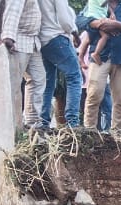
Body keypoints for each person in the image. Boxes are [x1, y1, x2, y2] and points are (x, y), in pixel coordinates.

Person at [80, 0, 121, 134]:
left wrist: (116, 24)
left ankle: (116, 133)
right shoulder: (96, 3)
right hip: (99, 58)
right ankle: (89, 132)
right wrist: (98, 23)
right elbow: (80, 20)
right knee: (94, 94)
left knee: (120, 98)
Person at [1, 0, 46, 129]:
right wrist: (8, 36)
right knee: (14, 83)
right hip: (18, 40)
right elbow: (13, 10)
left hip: (33, 41)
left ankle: (33, 122)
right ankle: (13, 124)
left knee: (38, 79)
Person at [37, 0, 81, 129]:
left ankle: (43, 121)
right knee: (74, 77)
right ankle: (72, 122)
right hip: (57, 37)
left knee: (49, 82)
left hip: (43, 40)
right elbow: (64, 19)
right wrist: (74, 33)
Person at [77, 30, 113, 130]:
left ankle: (106, 131)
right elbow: (79, 53)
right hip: (86, 80)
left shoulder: (108, 34)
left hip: (102, 78)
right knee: (90, 105)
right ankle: (90, 129)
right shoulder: (87, 33)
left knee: (106, 107)